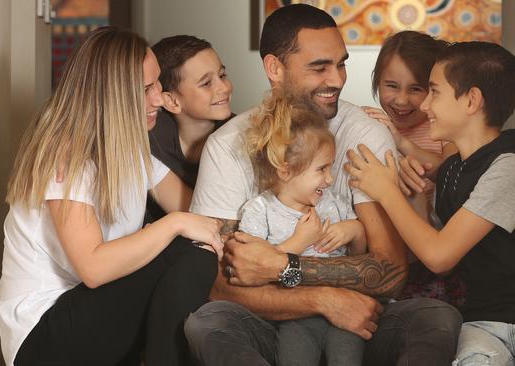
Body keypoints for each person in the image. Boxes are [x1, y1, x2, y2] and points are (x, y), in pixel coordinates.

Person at [184, 4, 462, 366]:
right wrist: (322, 300)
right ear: (275, 68)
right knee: (208, 323)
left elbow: (390, 271)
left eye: (341, 64)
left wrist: (280, 267)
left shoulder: (364, 135)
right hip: (273, 323)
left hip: (362, 320)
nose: (337, 79)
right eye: (320, 67)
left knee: (436, 318)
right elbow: (219, 284)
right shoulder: (228, 146)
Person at [345, 41, 515, 365]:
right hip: (482, 323)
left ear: (472, 100)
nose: (425, 104)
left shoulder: (513, 166)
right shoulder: (452, 169)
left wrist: (386, 192)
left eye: (434, 92)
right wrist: (412, 188)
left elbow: (439, 256)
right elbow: (427, 242)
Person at [0, 27, 223, 366]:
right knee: (190, 250)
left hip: (90, 313)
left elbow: (201, 213)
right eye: (146, 89)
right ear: (111, 94)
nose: (158, 98)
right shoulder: (67, 155)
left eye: (158, 82)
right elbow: (94, 268)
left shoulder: (127, 149)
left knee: (197, 250)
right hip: (42, 339)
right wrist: (175, 224)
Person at [240, 91, 367, 365]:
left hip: (344, 310)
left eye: (331, 167)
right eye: (322, 169)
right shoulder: (260, 211)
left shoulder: (334, 203)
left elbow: (359, 258)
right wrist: (299, 242)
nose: (331, 179)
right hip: (294, 316)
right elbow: (252, 270)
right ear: (285, 171)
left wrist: (355, 231)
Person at [364, 30, 465, 306]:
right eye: (392, 86)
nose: (401, 100)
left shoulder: (441, 128)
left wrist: (403, 143)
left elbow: (450, 169)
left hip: (434, 241)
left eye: (416, 89)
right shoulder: (375, 126)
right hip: (390, 247)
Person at [144, 35, 234, 224]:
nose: (224, 87)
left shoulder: (240, 137)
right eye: (206, 83)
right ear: (172, 101)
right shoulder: (150, 132)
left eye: (222, 75)